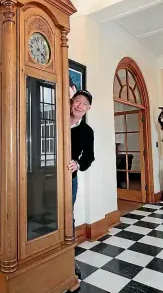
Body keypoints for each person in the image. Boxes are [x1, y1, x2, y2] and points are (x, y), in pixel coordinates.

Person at [67, 89, 95, 278]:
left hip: (69, 179)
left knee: (68, 216)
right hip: (43, 176)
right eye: (77, 101)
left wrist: (77, 164)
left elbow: (89, 158)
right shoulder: (55, 118)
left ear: (88, 108)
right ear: (71, 101)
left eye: (84, 104)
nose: (80, 106)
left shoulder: (86, 131)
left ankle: (68, 259)